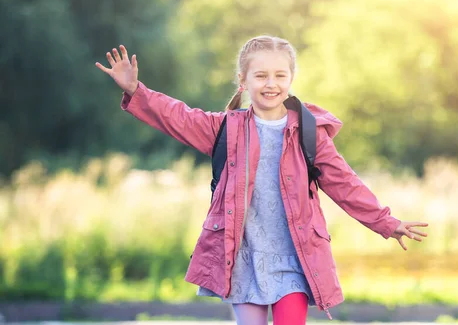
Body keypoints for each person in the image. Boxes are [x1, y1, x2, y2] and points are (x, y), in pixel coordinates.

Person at [96, 35, 429, 325]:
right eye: (261, 75)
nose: (271, 83)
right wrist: (136, 91)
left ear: (291, 79)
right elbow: (178, 117)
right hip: (242, 257)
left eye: (280, 75)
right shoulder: (226, 128)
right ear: (244, 79)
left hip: (294, 258)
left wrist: (386, 222)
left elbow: (345, 183)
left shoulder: (309, 133)